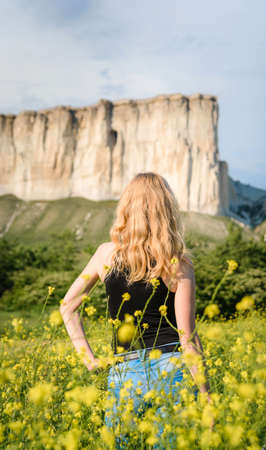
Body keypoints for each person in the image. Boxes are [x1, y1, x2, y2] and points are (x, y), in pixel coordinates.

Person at [60, 172, 213, 446]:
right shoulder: (177, 263)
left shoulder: (105, 254)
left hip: (124, 372)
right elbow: (187, 337)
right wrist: (207, 396)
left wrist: (90, 359)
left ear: (126, 208)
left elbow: (67, 306)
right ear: (166, 209)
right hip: (171, 367)